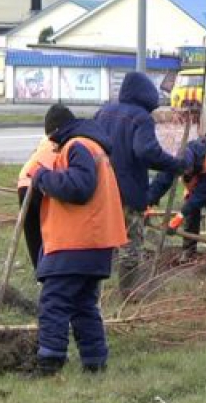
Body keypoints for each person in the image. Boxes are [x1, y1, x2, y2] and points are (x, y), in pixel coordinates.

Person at [29, 104, 127, 376]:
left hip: (75, 242)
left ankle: (50, 362)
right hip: (95, 242)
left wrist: (43, 178)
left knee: (54, 302)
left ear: (55, 132)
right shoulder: (93, 145)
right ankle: (95, 363)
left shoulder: (76, 145)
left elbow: (79, 187)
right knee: (83, 305)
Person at [94, 72, 184, 293]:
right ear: (147, 96)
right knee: (130, 242)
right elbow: (146, 151)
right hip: (128, 190)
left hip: (99, 187)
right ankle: (129, 291)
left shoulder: (103, 112)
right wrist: (174, 164)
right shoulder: (141, 118)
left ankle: (94, 290)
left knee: (99, 238)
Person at [148, 130, 206, 260]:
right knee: (191, 215)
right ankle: (189, 250)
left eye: (186, 171)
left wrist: (180, 215)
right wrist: (148, 201)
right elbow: (162, 180)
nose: (183, 174)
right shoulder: (179, 159)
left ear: (193, 165)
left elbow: (201, 196)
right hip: (197, 183)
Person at [17, 137, 56, 270]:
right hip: (43, 184)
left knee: (34, 236)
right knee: (52, 236)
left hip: (25, 181)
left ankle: (40, 271)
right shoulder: (70, 141)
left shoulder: (47, 139)